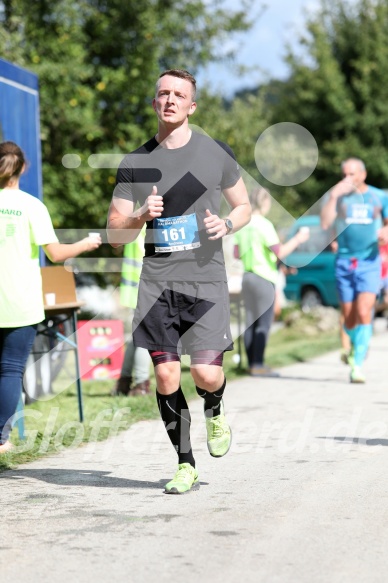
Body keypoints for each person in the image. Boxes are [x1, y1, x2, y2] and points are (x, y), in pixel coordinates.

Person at [107, 69, 251, 494]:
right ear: (155, 102)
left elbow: (243, 207)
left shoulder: (215, 154)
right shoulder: (135, 162)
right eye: (163, 93)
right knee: (167, 377)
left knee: (206, 374)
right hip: (157, 282)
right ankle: (185, 463)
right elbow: (115, 234)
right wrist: (137, 216)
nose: (169, 100)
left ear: (192, 106)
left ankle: (215, 406)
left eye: (179, 95)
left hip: (205, 280)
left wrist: (225, 224)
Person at [0, 141, 102, 453]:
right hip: (20, 303)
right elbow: (56, 254)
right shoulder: (32, 206)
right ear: (23, 168)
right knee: (11, 369)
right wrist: (85, 243)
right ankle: (0, 439)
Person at [320, 157, 388, 383]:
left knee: (364, 309)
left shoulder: (379, 196)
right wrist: (333, 196)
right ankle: (355, 345)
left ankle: (357, 364)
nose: (347, 179)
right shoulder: (339, 198)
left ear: (363, 175)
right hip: (344, 262)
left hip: (369, 262)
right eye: (344, 174)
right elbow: (325, 224)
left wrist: (386, 232)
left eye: (352, 174)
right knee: (349, 317)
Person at [234, 187, 310, 377]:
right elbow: (280, 252)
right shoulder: (264, 225)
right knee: (264, 324)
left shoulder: (244, 225)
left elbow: (236, 253)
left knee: (251, 322)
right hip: (264, 278)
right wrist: (298, 239)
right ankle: (258, 364)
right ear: (266, 203)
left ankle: (252, 364)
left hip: (247, 276)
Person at [111, 228, 152, 397]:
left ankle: (124, 382)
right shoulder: (148, 223)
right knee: (147, 336)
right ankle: (141, 385)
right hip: (147, 286)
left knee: (137, 336)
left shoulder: (136, 221)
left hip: (135, 286)